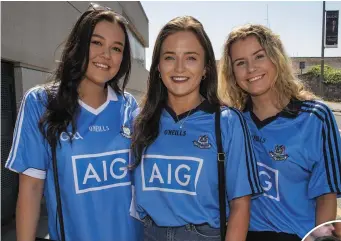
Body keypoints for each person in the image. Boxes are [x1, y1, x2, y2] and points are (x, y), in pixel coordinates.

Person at [5, 3, 143, 241]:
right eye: (96, 42)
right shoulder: (41, 102)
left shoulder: (129, 106)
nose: (106, 55)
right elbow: (31, 189)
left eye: (117, 48)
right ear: (79, 44)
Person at [130, 16, 262, 241]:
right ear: (158, 67)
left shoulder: (228, 122)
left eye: (191, 58)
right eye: (169, 57)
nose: (179, 67)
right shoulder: (140, 120)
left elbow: (241, 205)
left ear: (206, 69)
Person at [218, 23, 341, 241]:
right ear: (232, 72)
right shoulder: (232, 121)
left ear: (276, 58)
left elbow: (326, 196)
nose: (251, 68)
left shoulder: (316, 117)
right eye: (240, 62)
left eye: (259, 56)